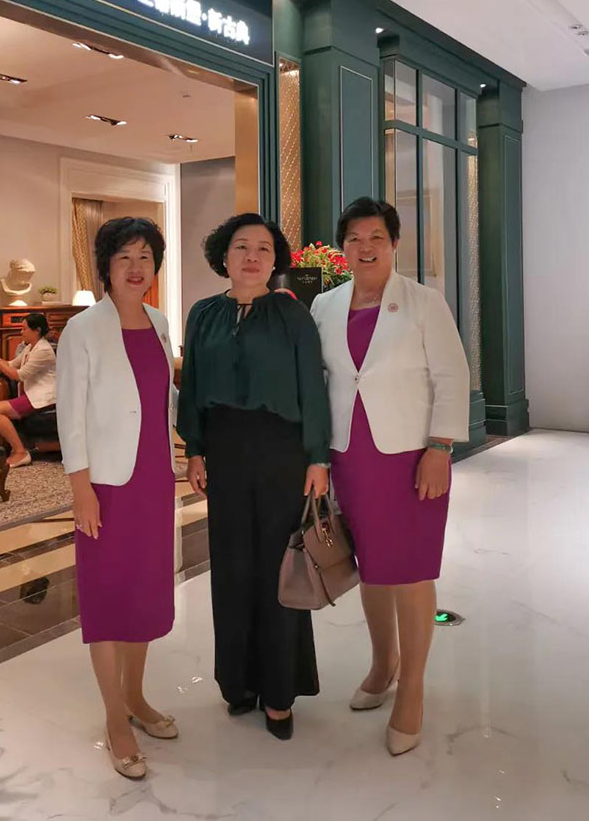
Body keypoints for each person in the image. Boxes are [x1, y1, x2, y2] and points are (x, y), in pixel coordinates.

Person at [311, 196, 470, 756]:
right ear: (342, 248)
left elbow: (452, 375)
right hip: (350, 457)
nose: (365, 247)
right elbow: (319, 380)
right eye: (354, 238)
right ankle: (383, 664)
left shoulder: (424, 302)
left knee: (411, 571)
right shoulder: (325, 305)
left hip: (410, 457)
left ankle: (414, 688)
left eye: (376, 237)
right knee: (372, 568)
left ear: (395, 243)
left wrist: (440, 447)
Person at [177, 212, 331, 741]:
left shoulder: (292, 316)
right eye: (241, 246)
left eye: (263, 248)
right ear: (224, 256)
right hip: (225, 451)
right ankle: (238, 682)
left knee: (279, 569)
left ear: (275, 261)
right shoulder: (203, 315)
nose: (251, 256)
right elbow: (193, 385)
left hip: (282, 452)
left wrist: (318, 458)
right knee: (231, 567)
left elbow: (313, 388)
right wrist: (195, 449)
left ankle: (280, 691)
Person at [55, 217, 177, 782]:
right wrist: (80, 488)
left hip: (152, 478)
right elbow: (70, 415)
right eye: (125, 256)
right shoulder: (81, 330)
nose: (136, 267)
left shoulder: (160, 322)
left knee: (143, 592)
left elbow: (163, 402)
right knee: (107, 597)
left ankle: (136, 695)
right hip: (104, 483)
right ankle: (114, 717)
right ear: (106, 265)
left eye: (145, 257)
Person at [0, 312, 56, 467]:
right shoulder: (30, 347)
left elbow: (20, 375)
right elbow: (11, 364)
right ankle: (18, 449)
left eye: (24, 328)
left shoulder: (43, 350)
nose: (21, 332)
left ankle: (20, 452)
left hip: (43, 397)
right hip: (31, 394)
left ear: (37, 330)